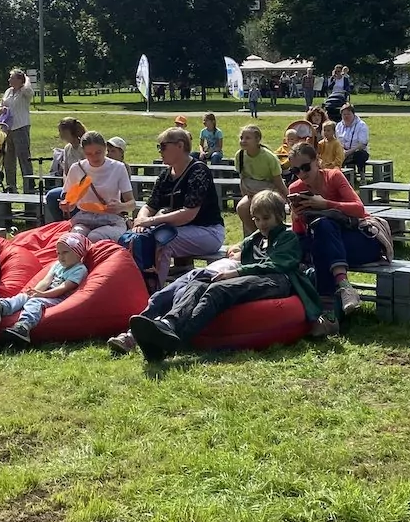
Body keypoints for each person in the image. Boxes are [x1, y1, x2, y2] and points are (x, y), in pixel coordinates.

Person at [123, 190, 322, 358]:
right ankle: (169, 323)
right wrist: (236, 253)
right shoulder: (257, 238)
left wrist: (237, 272)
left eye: (266, 218)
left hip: (278, 280)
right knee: (200, 282)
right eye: (257, 219)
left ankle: (177, 339)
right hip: (254, 278)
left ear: (279, 216)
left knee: (217, 291)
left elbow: (277, 264)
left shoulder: (287, 237)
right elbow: (238, 248)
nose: (262, 224)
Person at [287, 143, 389, 325]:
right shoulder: (295, 188)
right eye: (295, 170)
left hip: (362, 240)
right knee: (319, 239)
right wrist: (296, 217)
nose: (301, 174)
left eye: (305, 167)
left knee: (323, 231)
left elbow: (359, 209)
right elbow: (300, 233)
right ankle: (342, 291)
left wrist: (325, 204)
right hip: (329, 246)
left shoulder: (333, 176)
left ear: (317, 161)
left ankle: (329, 314)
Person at [124, 127, 226, 288]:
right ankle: (138, 285)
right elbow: (150, 206)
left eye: (163, 146)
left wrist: (150, 221)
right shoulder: (165, 175)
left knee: (164, 241)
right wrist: (141, 220)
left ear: (180, 145)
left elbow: (188, 214)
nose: (160, 151)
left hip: (209, 231)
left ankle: (154, 291)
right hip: (179, 231)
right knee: (138, 237)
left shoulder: (198, 171)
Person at [0, 230, 89, 343]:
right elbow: (46, 281)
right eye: (58, 253)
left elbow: (64, 287)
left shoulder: (79, 269)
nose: (61, 257)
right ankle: (3, 307)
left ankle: (23, 327)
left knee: (35, 302)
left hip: (59, 298)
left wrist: (43, 294)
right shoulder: (57, 265)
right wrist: (35, 291)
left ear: (78, 252)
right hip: (47, 294)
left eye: (65, 252)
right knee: (24, 296)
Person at [59, 131, 135, 242]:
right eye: (89, 154)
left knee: (95, 237)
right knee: (74, 239)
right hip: (84, 218)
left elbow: (132, 204)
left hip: (111, 219)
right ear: (83, 152)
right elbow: (70, 201)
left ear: (105, 148)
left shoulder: (118, 167)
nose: (94, 157)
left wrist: (121, 207)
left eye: (98, 152)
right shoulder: (76, 168)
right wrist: (67, 205)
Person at [234, 125, 285, 236]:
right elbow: (242, 177)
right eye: (241, 138)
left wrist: (288, 198)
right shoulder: (240, 155)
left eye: (247, 138)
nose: (243, 141)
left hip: (269, 191)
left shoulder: (269, 157)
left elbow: (278, 181)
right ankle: (256, 236)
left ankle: (267, 235)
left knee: (264, 209)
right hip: (251, 191)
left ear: (257, 140)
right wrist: (246, 194)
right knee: (242, 207)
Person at [0, 68, 34, 193]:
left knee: (24, 159)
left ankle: (29, 189)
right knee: (8, 160)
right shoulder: (8, 91)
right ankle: (11, 188)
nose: (9, 80)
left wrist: (26, 78)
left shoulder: (25, 91)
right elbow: (0, 105)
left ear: (20, 80)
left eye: (12, 77)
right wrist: (1, 110)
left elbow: (28, 88)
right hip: (7, 129)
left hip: (21, 128)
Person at [335, 103, 370, 173]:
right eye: (344, 114)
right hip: (343, 151)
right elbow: (337, 141)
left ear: (353, 114)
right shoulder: (338, 126)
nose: (346, 116)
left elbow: (362, 144)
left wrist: (349, 152)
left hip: (356, 151)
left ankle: (361, 174)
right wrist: (342, 151)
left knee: (361, 155)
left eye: (348, 114)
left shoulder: (361, 125)